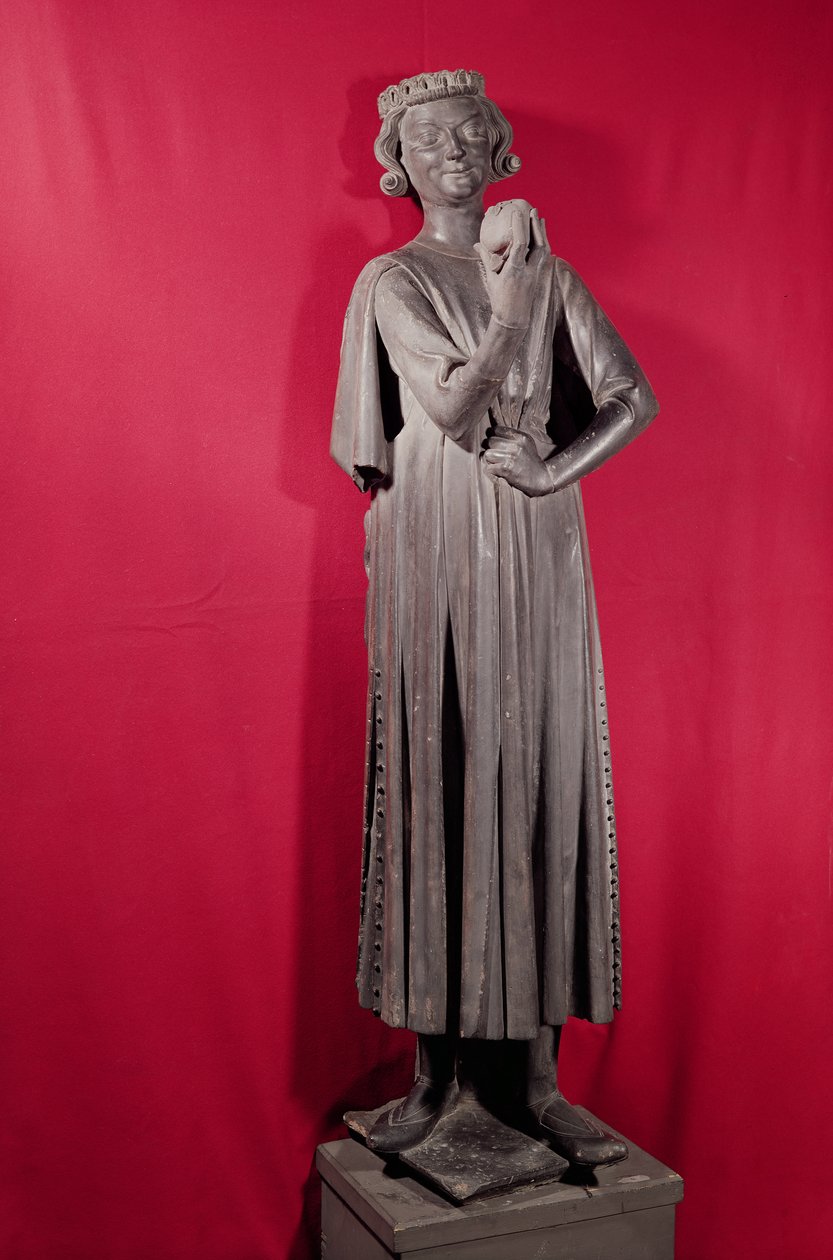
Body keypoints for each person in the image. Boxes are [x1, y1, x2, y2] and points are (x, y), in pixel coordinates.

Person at [331, 70, 658, 1167]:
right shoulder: (394, 279)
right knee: (441, 769)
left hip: (536, 542)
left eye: (471, 134)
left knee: (541, 773)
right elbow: (448, 403)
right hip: (433, 538)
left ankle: (537, 1082)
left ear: (497, 147)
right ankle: (435, 1079)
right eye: (429, 139)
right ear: (399, 164)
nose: (454, 151)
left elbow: (630, 397)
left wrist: (552, 469)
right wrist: (511, 302)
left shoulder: (551, 274)